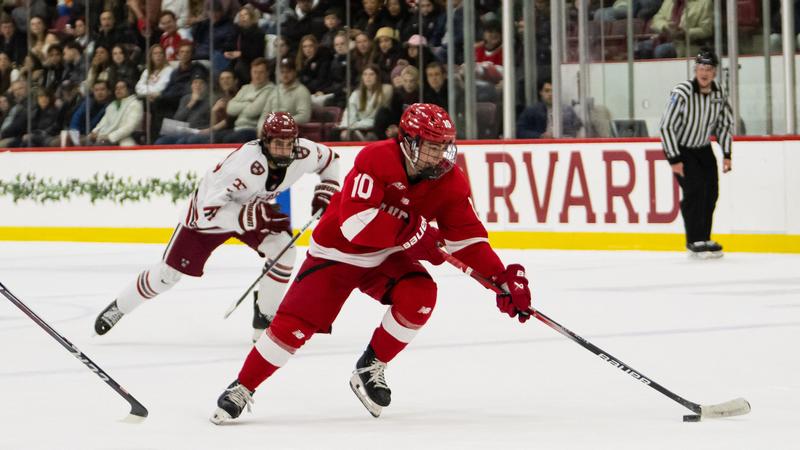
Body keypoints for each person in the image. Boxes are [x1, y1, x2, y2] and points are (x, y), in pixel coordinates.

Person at [209, 103, 532, 424]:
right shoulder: (375, 159)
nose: (439, 156)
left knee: (420, 295)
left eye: (443, 147)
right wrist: (410, 233)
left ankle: (370, 366)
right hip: (336, 253)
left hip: (387, 255)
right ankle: (243, 386)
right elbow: (355, 225)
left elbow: (468, 240)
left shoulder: (450, 181)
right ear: (408, 142)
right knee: (292, 327)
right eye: (431, 147)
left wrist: (500, 279)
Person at [94, 112, 341, 342]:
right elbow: (207, 212)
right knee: (167, 276)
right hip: (209, 214)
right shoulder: (241, 165)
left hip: (253, 210)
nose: (284, 149)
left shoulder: (304, 152)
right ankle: (121, 306)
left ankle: (264, 318)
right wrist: (246, 216)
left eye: (289, 143)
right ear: (265, 142)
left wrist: (327, 190)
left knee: (284, 250)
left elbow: (330, 160)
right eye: (278, 142)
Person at [659, 49, 732, 258]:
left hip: (703, 148)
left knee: (711, 192)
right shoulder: (681, 92)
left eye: (708, 69)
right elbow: (666, 126)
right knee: (694, 191)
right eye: (701, 68)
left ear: (715, 72)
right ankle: (694, 240)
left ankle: (705, 237)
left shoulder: (719, 93)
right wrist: (674, 158)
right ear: (695, 70)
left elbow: (725, 124)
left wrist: (727, 153)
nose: (704, 72)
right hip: (682, 149)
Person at [517, 78, 582, 138]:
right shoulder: (531, 111)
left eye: (553, 91)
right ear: (541, 92)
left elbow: (578, 129)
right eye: (547, 91)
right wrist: (540, 136)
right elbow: (520, 131)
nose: (551, 94)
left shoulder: (568, 110)